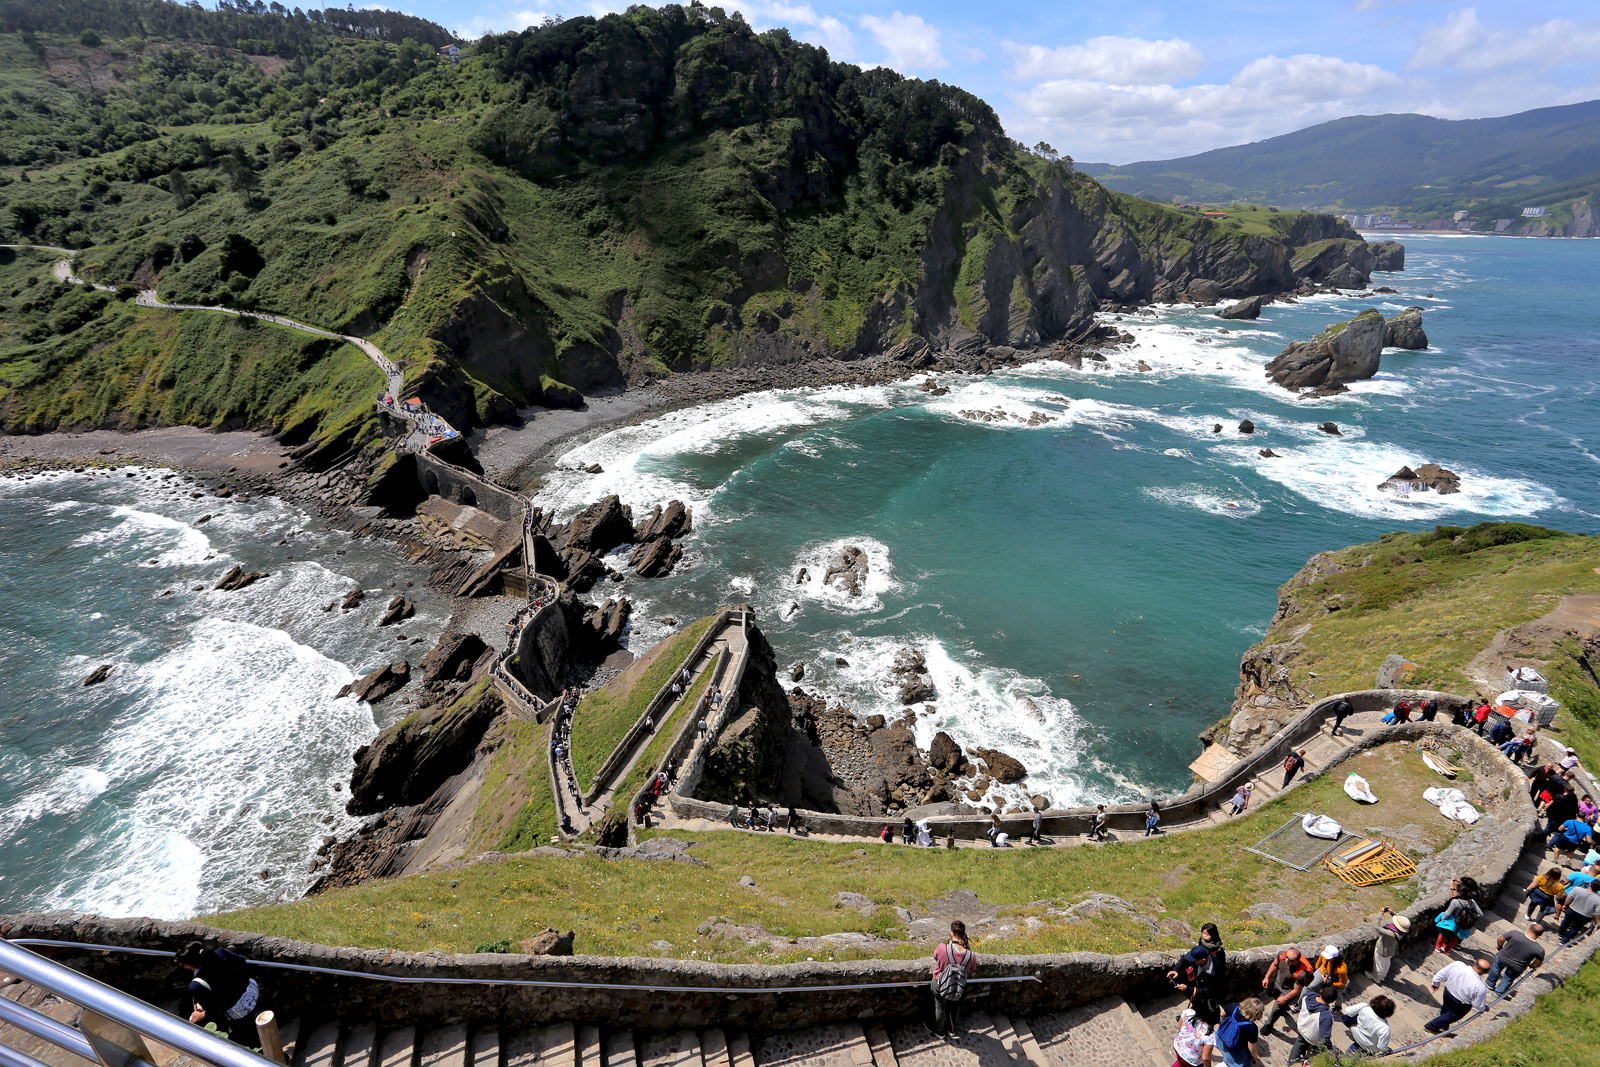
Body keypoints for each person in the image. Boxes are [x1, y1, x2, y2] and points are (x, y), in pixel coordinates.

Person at [175, 942, 263, 1044]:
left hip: (238, 1009)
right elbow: (242, 962)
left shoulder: (197, 985)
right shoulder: (221, 953)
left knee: (250, 1035)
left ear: (186, 965)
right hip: (252, 990)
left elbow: (215, 1009)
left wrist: (201, 1014)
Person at [928, 921, 975, 1037]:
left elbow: (935, 956)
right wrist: (967, 945)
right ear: (964, 935)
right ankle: (952, 1029)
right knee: (955, 1005)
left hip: (940, 984)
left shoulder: (942, 948)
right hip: (958, 985)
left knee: (940, 1007)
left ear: (951, 933)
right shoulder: (971, 955)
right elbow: (972, 967)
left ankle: (940, 1031)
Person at [1424, 958, 1489, 1033]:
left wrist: (1435, 983)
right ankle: (1431, 1026)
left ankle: (1443, 1027)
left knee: (1446, 1009)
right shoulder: (1480, 987)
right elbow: (1477, 1004)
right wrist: (1483, 1008)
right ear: (1486, 972)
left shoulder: (1457, 965)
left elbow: (1442, 974)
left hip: (1448, 993)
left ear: (1474, 963)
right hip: (1461, 1004)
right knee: (1452, 1016)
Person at [1169, 925, 1228, 1006]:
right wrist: (1176, 970)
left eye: (1207, 934)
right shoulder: (1201, 948)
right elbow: (1186, 959)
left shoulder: (1214, 970)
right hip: (1199, 973)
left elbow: (1208, 990)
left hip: (1208, 983)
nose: (1204, 936)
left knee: (1203, 1001)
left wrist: (1187, 988)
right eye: (1203, 933)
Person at [1259, 947, 1312, 1029]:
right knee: (1276, 999)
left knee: (1276, 1009)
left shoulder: (1301, 974)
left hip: (1287, 991)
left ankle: (1268, 1025)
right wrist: (1267, 977)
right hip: (1278, 983)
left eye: (1290, 960)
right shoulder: (1282, 955)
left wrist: (1284, 998)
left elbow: (1296, 991)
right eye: (1287, 957)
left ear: (1297, 961)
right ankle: (1284, 1008)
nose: (1287, 960)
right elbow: (1275, 965)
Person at [1487, 923, 1545, 995]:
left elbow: (1500, 939)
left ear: (1530, 928)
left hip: (1503, 957)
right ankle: (1499, 992)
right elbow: (1538, 962)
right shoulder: (1539, 950)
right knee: (1508, 978)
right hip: (1517, 966)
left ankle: (1490, 984)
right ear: (1540, 935)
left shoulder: (1515, 934)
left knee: (1496, 969)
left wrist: (1500, 946)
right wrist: (1532, 966)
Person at [1286, 985, 1337, 1064]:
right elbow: (1324, 1039)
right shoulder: (1326, 1016)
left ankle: (1291, 1063)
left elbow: (1300, 1005)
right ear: (1332, 1001)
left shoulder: (1308, 996)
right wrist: (1330, 1049)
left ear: (1321, 991)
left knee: (1298, 1047)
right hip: (1313, 1039)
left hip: (1302, 1029)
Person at [1434, 877, 1482, 952]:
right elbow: (1480, 914)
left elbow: (1451, 904)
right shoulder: (1474, 897)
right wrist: (1470, 916)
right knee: (1455, 937)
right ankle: (1448, 950)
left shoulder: (1457, 901)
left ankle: (1438, 946)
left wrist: (1452, 888)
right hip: (1463, 922)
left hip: (1454, 920)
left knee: (1444, 934)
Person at [1211, 998, 1263, 1067]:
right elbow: (1251, 1048)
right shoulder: (1252, 1028)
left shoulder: (1233, 1006)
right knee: (1246, 1063)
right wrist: (1256, 1058)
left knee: (1226, 1055)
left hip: (1220, 1040)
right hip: (1234, 1050)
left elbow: (1222, 1014)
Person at [1172, 998, 1221, 1067]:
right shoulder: (1210, 1036)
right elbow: (1205, 1058)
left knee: (1180, 1063)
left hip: (1178, 1047)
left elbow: (1180, 1026)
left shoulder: (1188, 1013)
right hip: (1191, 1061)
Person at [1372, 909, 1409, 982]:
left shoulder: (1391, 933)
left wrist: (1380, 914)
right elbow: (1400, 922)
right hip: (1391, 950)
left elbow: (1376, 926)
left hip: (1382, 950)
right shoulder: (1403, 932)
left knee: (1378, 964)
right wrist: (1392, 912)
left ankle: (1376, 977)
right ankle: (1382, 977)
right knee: (1386, 963)